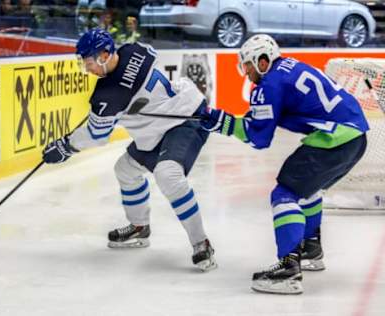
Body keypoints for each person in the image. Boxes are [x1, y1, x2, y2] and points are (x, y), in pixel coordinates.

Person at [200, 34, 368, 294]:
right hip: (356, 138)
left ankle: (289, 267)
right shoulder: (290, 67)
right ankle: (311, 249)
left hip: (335, 139)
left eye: (248, 65)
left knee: (285, 193)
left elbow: (258, 138)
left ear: (263, 61)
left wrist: (220, 120)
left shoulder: (270, 84)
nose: (246, 72)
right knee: (307, 189)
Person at [42, 28, 217, 271]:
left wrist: (66, 146)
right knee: (125, 170)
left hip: (183, 120)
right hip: (161, 126)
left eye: (89, 61)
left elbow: (96, 135)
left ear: (104, 54)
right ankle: (139, 227)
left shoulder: (106, 96)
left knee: (169, 175)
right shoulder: (134, 51)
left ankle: (201, 243)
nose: (87, 68)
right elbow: (137, 71)